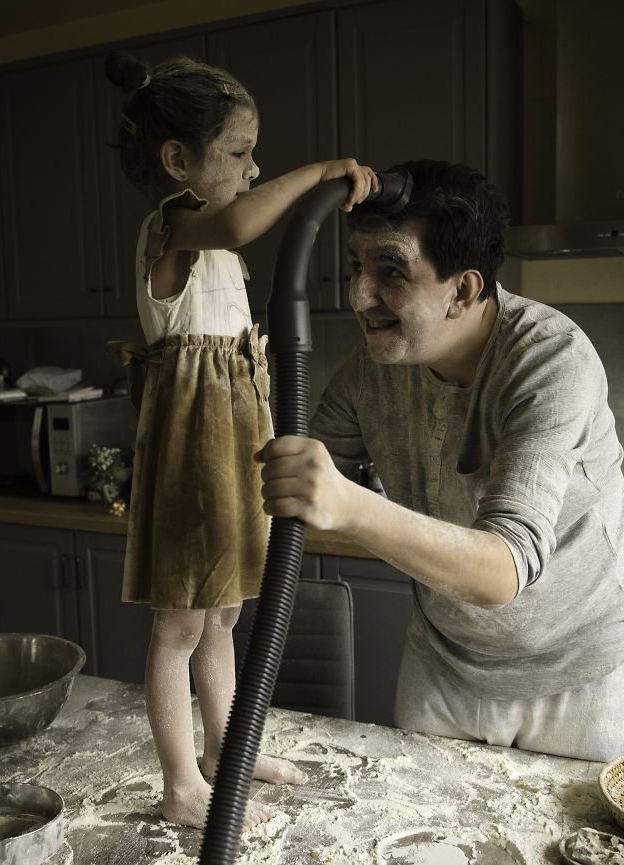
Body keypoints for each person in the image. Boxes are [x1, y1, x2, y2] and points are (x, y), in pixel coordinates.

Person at [256, 160, 624, 764]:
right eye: (358, 266)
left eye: (390, 271)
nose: (360, 295)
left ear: (463, 290)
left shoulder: (549, 359)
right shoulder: (373, 369)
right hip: (444, 662)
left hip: (575, 677)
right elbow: (295, 472)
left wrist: (348, 503)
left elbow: (502, 572)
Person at [103, 50, 377, 830]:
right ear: (177, 160)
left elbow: (242, 226)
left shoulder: (215, 243)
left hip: (231, 442)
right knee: (178, 623)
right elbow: (242, 216)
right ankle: (181, 781)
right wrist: (320, 171)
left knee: (222, 617)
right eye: (240, 152)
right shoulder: (176, 227)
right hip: (191, 451)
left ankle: (227, 746)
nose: (256, 169)